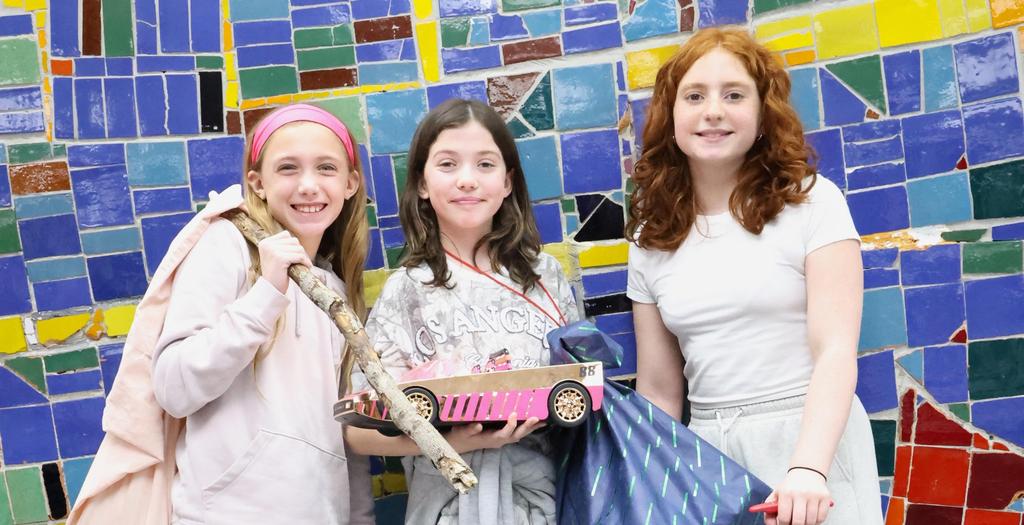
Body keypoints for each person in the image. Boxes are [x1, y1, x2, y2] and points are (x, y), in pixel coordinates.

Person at [626, 28, 883, 525]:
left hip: (812, 443)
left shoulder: (813, 202)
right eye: (695, 95)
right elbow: (659, 389)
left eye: (734, 95)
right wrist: (652, 484)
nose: (714, 110)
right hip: (708, 457)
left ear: (764, 114)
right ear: (670, 116)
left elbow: (835, 350)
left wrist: (808, 468)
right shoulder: (649, 237)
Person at [344, 98, 581, 525]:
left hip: (550, 500)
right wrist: (455, 442)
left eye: (486, 165)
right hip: (449, 507)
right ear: (421, 183)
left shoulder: (546, 276)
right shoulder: (405, 291)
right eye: (448, 164)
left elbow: (580, 386)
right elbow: (357, 432)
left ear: (508, 183)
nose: (468, 180)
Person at [150, 104, 374, 524]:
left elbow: (347, 434)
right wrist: (268, 292)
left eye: (326, 168)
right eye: (288, 168)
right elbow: (174, 388)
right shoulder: (225, 246)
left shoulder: (337, 295)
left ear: (350, 183)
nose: (308, 186)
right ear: (258, 182)